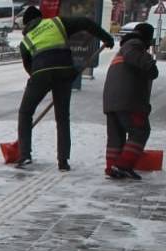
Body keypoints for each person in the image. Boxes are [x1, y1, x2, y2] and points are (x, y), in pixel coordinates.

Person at [14, 5, 113, 171]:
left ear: (26, 24)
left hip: (40, 74)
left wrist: (41, 79)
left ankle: (24, 155)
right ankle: (63, 161)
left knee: (25, 113)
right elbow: (84, 22)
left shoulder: (26, 41)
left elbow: (29, 68)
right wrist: (106, 37)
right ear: (41, 17)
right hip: (65, 72)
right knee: (62, 117)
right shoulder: (57, 23)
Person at [102, 22, 158, 180]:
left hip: (111, 100)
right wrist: (150, 64)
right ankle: (123, 165)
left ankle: (112, 167)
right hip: (128, 100)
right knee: (140, 131)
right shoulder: (134, 45)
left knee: (116, 135)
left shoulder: (124, 47)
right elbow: (139, 61)